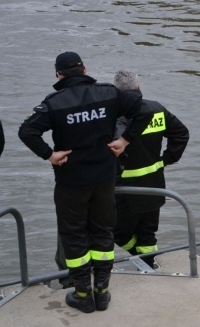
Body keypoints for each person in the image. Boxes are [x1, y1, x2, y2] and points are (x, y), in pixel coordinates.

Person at [18, 52, 150, 314]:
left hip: (71, 182)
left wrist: (49, 155)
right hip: (104, 179)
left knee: (74, 235)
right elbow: (143, 110)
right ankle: (102, 293)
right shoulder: (109, 93)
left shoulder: (54, 103)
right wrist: (125, 140)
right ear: (85, 69)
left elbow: (27, 131)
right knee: (103, 232)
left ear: (58, 74)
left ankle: (82, 295)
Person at [112, 70, 189, 269]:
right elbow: (181, 134)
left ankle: (145, 263)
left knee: (117, 233)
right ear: (138, 87)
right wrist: (167, 159)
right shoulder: (156, 109)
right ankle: (150, 266)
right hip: (154, 185)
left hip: (125, 189)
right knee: (147, 234)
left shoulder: (115, 116)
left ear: (116, 92)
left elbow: (115, 147)